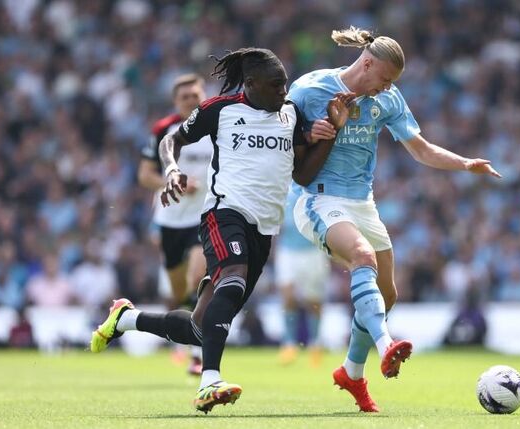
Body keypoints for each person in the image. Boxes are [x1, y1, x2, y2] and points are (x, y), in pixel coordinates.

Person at [90, 47, 354, 413]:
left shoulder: (290, 114)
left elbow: (303, 174)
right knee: (232, 281)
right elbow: (171, 140)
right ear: (251, 84)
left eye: (285, 83)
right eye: (276, 85)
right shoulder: (220, 109)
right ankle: (209, 381)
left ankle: (126, 318)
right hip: (224, 213)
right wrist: (171, 169)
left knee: (201, 327)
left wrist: (332, 134)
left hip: (264, 228)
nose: (283, 90)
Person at [287, 27, 501, 412]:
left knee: (387, 296)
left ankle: (351, 373)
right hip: (317, 198)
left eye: (392, 82)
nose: (387, 87)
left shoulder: (387, 98)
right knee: (362, 257)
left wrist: (465, 163)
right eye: (385, 79)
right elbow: (280, 137)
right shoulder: (310, 89)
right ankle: (387, 345)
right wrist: (307, 133)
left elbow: (421, 149)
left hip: (362, 202)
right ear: (367, 63)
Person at [138, 73, 211, 375]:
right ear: (175, 102)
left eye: (196, 95)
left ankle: (198, 353)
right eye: (185, 97)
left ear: (203, 96)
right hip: (170, 220)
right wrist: (173, 182)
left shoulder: (218, 125)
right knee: (179, 291)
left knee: (198, 278)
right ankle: (185, 340)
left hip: (204, 216)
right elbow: (145, 175)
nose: (191, 101)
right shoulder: (163, 130)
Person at [275, 185, 331, 367]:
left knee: (313, 301)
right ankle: (289, 344)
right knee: (288, 296)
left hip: (313, 249)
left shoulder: (316, 183)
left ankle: (315, 344)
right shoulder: (284, 184)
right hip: (288, 249)